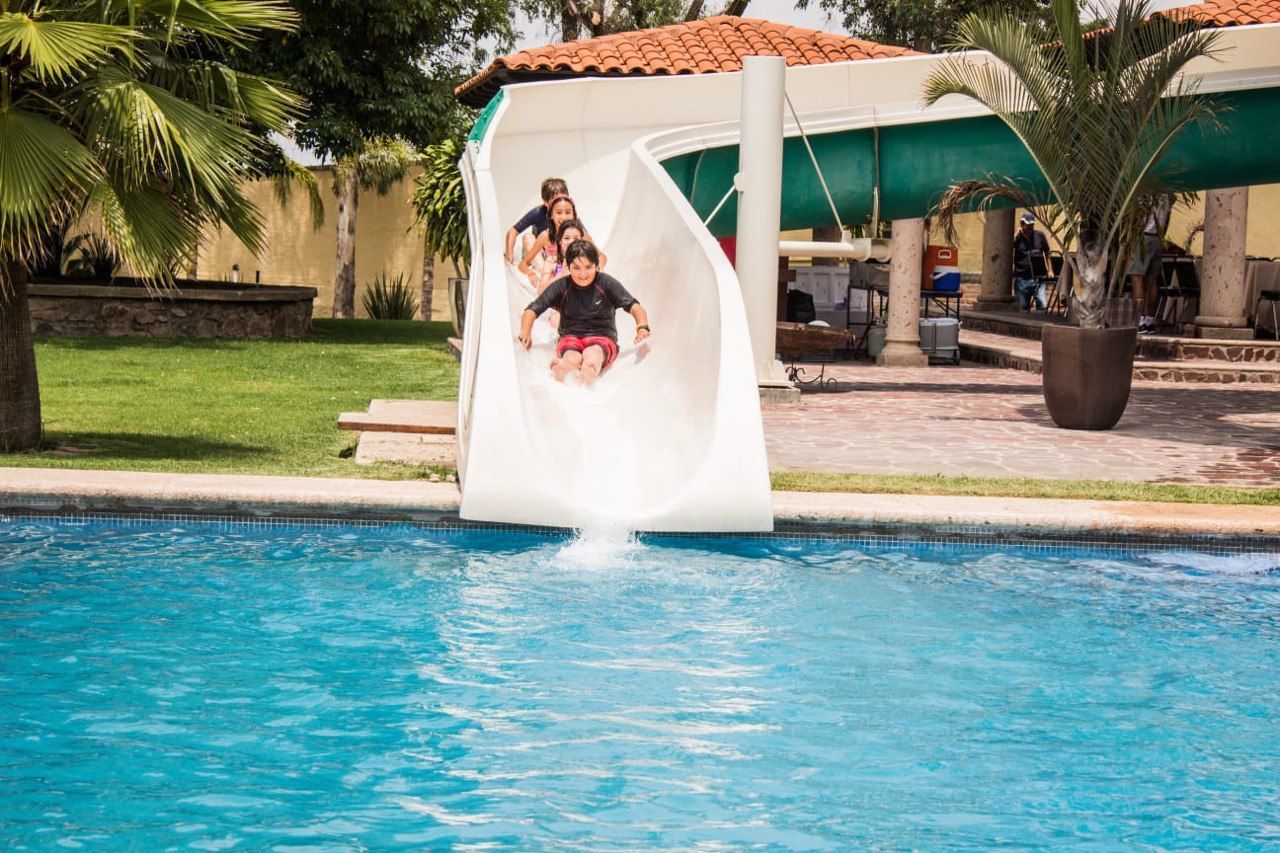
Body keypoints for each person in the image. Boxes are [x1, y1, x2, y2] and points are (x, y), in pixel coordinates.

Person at [517, 240, 650, 387]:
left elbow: (634, 306)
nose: (583, 274)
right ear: (568, 266)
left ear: (596, 265)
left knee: (593, 355)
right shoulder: (562, 286)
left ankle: (588, 372)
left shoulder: (606, 283)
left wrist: (642, 326)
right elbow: (532, 309)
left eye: (588, 267)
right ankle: (564, 368)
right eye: (576, 268)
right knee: (571, 358)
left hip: (602, 338)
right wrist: (525, 332)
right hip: (571, 337)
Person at [520, 195, 605, 280]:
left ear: (573, 215)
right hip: (548, 273)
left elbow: (601, 257)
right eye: (559, 212)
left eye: (568, 212)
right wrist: (530, 274)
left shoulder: (581, 233)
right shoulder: (546, 236)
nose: (563, 217)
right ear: (551, 215)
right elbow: (522, 264)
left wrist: (598, 269)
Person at [1127, 195, 1171, 334]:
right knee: (1152, 280)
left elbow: (1141, 217)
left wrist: (1131, 238)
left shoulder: (1146, 194)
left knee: (1137, 277)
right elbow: (1167, 219)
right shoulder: (1165, 196)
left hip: (1143, 236)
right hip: (1158, 238)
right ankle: (1150, 322)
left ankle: (1139, 321)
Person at [504, 177, 568, 264]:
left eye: (564, 199)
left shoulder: (569, 214)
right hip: (536, 253)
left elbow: (584, 238)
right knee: (528, 238)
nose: (560, 204)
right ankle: (542, 269)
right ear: (545, 202)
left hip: (555, 253)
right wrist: (509, 253)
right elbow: (513, 231)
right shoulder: (538, 213)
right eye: (555, 201)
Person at [522, 218, 584, 294]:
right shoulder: (551, 261)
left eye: (576, 238)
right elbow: (540, 291)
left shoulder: (586, 260)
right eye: (567, 238)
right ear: (560, 241)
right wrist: (562, 275)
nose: (571, 242)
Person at [1012, 212, 1051, 311]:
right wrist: (1016, 235)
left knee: (1042, 305)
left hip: (1039, 277)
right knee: (1023, 307)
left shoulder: (1040, 235)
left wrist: (1050, 270)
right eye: (1027, 225)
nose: (1029, 228)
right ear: (1022, 224)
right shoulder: (1018, 238)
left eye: (1032, 225)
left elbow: (1047, 252)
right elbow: (1006, 249)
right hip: (1022, 278)